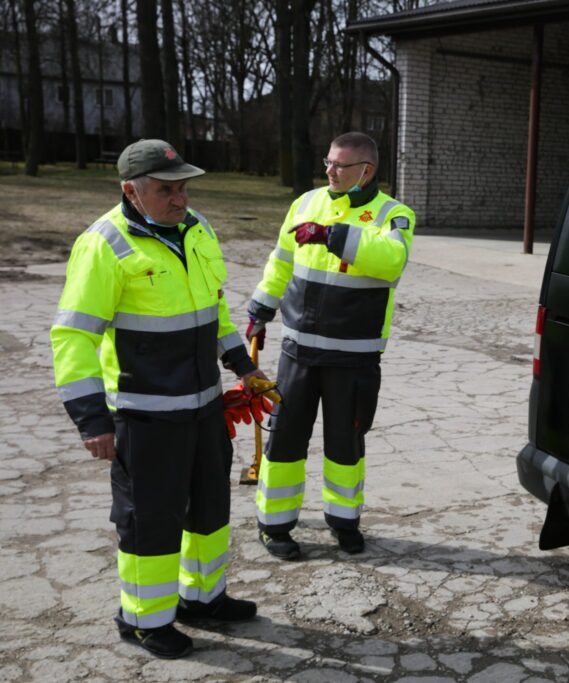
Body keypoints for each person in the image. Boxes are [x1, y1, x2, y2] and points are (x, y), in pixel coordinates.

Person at [51, 139, 265, 659]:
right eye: (166, 190)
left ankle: (203, 598)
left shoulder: (198, 229)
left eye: (184, 187)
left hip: (205, 409)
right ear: (131, 190)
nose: (180, 199)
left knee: (210, 509)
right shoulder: (105, 244)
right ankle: (146, 619)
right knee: (150, 520)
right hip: (143, 418)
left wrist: (244, 366)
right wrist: (90, 420)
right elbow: (73, 336)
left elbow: (214, 311)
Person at [247, 131, 415, 559]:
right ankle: (275, 525)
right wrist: (260, 309)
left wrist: (332, 235)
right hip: (297, 352)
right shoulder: (305, 203)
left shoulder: (394, 214)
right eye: (328, 163)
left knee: (346, 445)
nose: (330, 172)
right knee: (284, 442)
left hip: (354, 358)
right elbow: (281, 261)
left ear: (366, 171)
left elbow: (391, 260)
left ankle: (344, 522)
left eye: (340, 166)